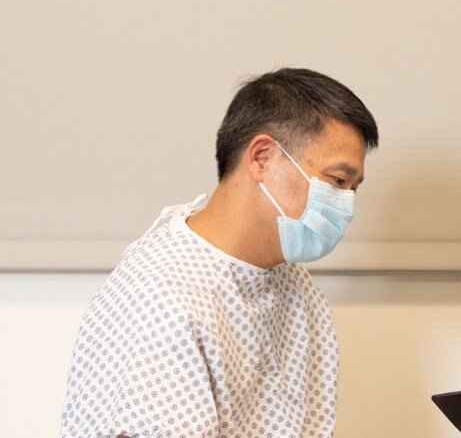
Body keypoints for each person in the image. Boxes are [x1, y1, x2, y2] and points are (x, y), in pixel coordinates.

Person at [60, 68, 379, 438]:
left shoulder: (295, 285)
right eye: (337, 181)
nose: (347, 205)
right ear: (261, 157)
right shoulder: (164, 295)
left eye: (353, 188)